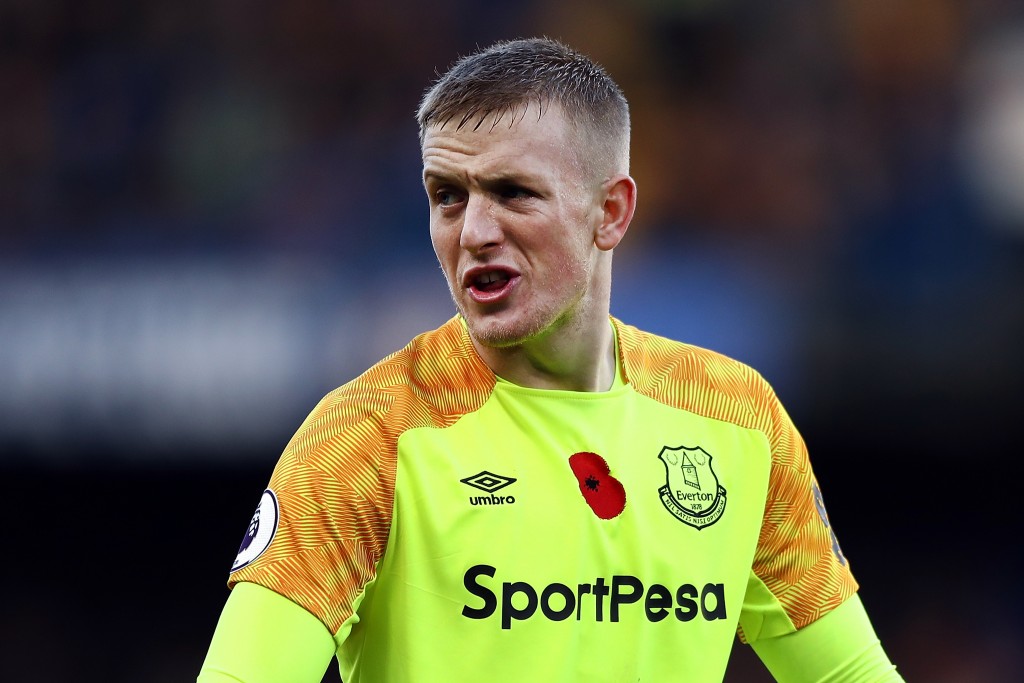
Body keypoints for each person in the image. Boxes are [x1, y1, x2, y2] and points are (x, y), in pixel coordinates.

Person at [198, 37, 903, 683]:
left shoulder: (737, 418)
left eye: (513, 193)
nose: (473, 231)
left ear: (612, 212)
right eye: (447, 196)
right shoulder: (364, 439)